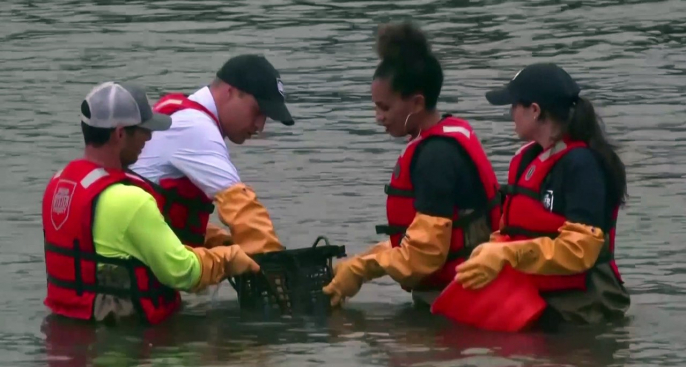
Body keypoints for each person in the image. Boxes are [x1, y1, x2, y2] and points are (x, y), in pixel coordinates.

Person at [41, 81, 260, 325]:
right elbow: (182, 272)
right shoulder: (129, 199)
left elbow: (109, 241)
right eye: (143, 129)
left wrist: (208, 237)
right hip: (126, 344)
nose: (149, 136)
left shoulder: (60, 184)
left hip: (66, 326)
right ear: (120, 133)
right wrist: (227, 259)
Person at [322, 21, 502, 307]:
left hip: (458, 299)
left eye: (385, 107)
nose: (378, 117)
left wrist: (363, 269)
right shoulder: (445, 136)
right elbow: (423, 239)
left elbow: (424, 257)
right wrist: (358, 261)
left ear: (417, 103)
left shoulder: (435, 158)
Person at [454, 63, 630, 324]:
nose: (510, 114)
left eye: (514, 106)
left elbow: (579, 250)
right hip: (537, 298)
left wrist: (509, 254)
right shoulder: (529, 159)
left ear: (534, 111)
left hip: (584, 305)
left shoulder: (582, 165)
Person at [129, 54, 294, 255]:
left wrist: (217, 239)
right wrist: (276, 265)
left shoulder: (181, 111)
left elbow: (164, 212)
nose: (260, 125)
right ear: (230, 92)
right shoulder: (196, 128)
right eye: (257, 111)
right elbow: (242, 208)